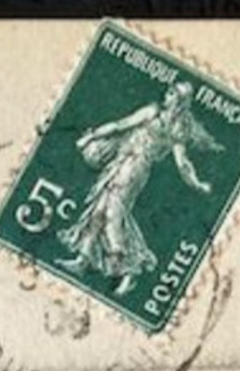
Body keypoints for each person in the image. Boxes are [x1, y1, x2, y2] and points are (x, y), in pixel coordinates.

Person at [57, 80, 223, 297]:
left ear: (180, 101)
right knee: (98, 210)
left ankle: (129, 272)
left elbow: (181, 162)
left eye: (172, 93)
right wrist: (94, 135)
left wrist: (197, 183)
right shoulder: (165, 119)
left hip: (133, 169)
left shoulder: (170, 123)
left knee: (113, 216)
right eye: (169, 91)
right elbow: (121, 125)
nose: (167, 95)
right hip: (123, 163)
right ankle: (83, 259)